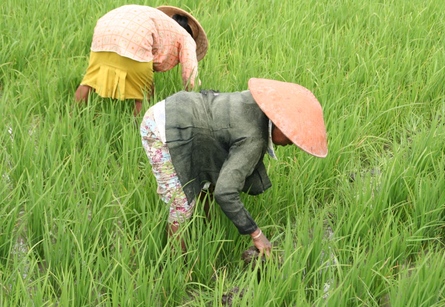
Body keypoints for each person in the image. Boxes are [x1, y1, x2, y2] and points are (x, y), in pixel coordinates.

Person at [140, 78, 328, 256]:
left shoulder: (254, 102)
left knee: (207, 185)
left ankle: (209, 229)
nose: (291, 143)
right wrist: (256, 233)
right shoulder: (254, 139)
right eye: (289, 136)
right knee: (181, 205)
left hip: (182, 111)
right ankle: (177, 264)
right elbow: (225, 191)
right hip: (162, 127)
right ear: (277, 122)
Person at [74, 5, 208, 115]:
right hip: (136, 39)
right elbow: (190, 73)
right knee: (146, 93)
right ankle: (137, 129)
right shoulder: (186, 38)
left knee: (90, 81)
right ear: (190, 33)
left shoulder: (161, 21)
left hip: (104, 31)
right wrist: (196, 99)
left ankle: (73, 116)